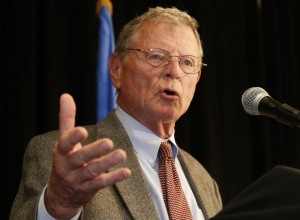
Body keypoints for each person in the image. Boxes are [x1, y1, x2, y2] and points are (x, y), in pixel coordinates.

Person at [10, 6, 222, 220]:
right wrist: (58, 207)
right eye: (157, 56)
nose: (174, 71)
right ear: (116, 69)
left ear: (197, 78)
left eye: (187, 62)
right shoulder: (62, 157)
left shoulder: (204, 181)